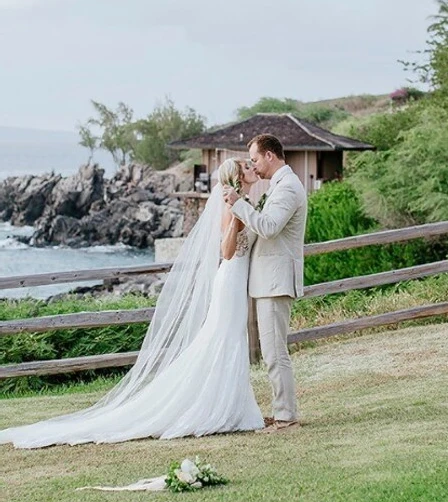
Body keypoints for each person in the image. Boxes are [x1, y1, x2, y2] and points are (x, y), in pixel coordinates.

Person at [0, 159, 264, 448]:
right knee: (223, 338)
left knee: (231, 338)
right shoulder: (232, 206)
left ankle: (234, 405)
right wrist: (239, 212)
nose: (253, 168)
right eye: (248, 167)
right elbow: (226, 252)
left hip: (238, 281)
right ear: (238, 177)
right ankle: (217, 407)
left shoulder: (246, 201)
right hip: (229, 280)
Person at [223, 134, 307, 433]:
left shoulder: (288, 188)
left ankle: (286, 418)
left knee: (274, 354)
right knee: (272, 352)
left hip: (275, 282)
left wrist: (238, 205)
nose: (254, 167)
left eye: (256, 159)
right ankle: (281, 413)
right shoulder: (277, 187)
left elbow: (270, 228)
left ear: (270, 155)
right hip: (266, 281)